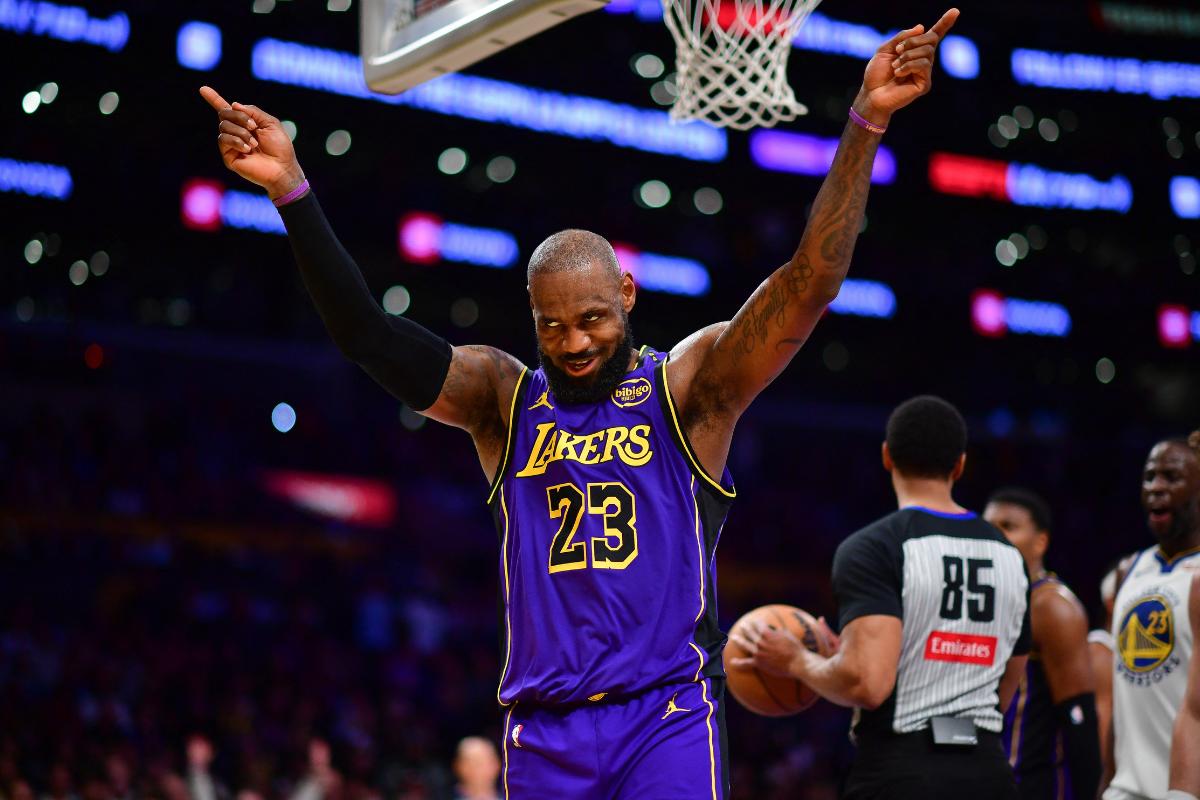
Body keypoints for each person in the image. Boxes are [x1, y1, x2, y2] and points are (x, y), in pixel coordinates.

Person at [199, 9, 959, 796]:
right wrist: (290, 189)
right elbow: (368, 336)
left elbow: (809, 286)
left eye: (592, 319)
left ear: (626, 294)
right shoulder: (503, 398)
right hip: (543, 732)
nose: (572, 342)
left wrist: (867, 120)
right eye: (551, 325)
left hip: (664, 717)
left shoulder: (688, 389)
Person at [732, 395, 1030, 800]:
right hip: (989, 773)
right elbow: (1007, 681)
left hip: (904, 773)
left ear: (887, 456)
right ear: (959, 465)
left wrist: (798, 660)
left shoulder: (875, 546)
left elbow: (867, 684)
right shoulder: (1009, 554)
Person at [984, 488, 1100, 800]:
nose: (994, 536)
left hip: (1034, 782)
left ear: (1041, 542)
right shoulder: (985, 600)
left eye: (1007, 526)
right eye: (988, 527)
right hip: (986, 778)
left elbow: (1079, 717)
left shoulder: (1051, 606)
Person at [1105, 431, 1200, 800]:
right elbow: (1119, 690)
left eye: (1171, 477)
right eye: (1149, 477)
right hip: (1127, 787)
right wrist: (1106, 779)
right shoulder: (1128, 571)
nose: (1156, 488)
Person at [1089, 562, 1120, 778]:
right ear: (1112, 603)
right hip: (1115, 771)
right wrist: (1105, 776)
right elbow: (1103, 715)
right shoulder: (1100, 649)